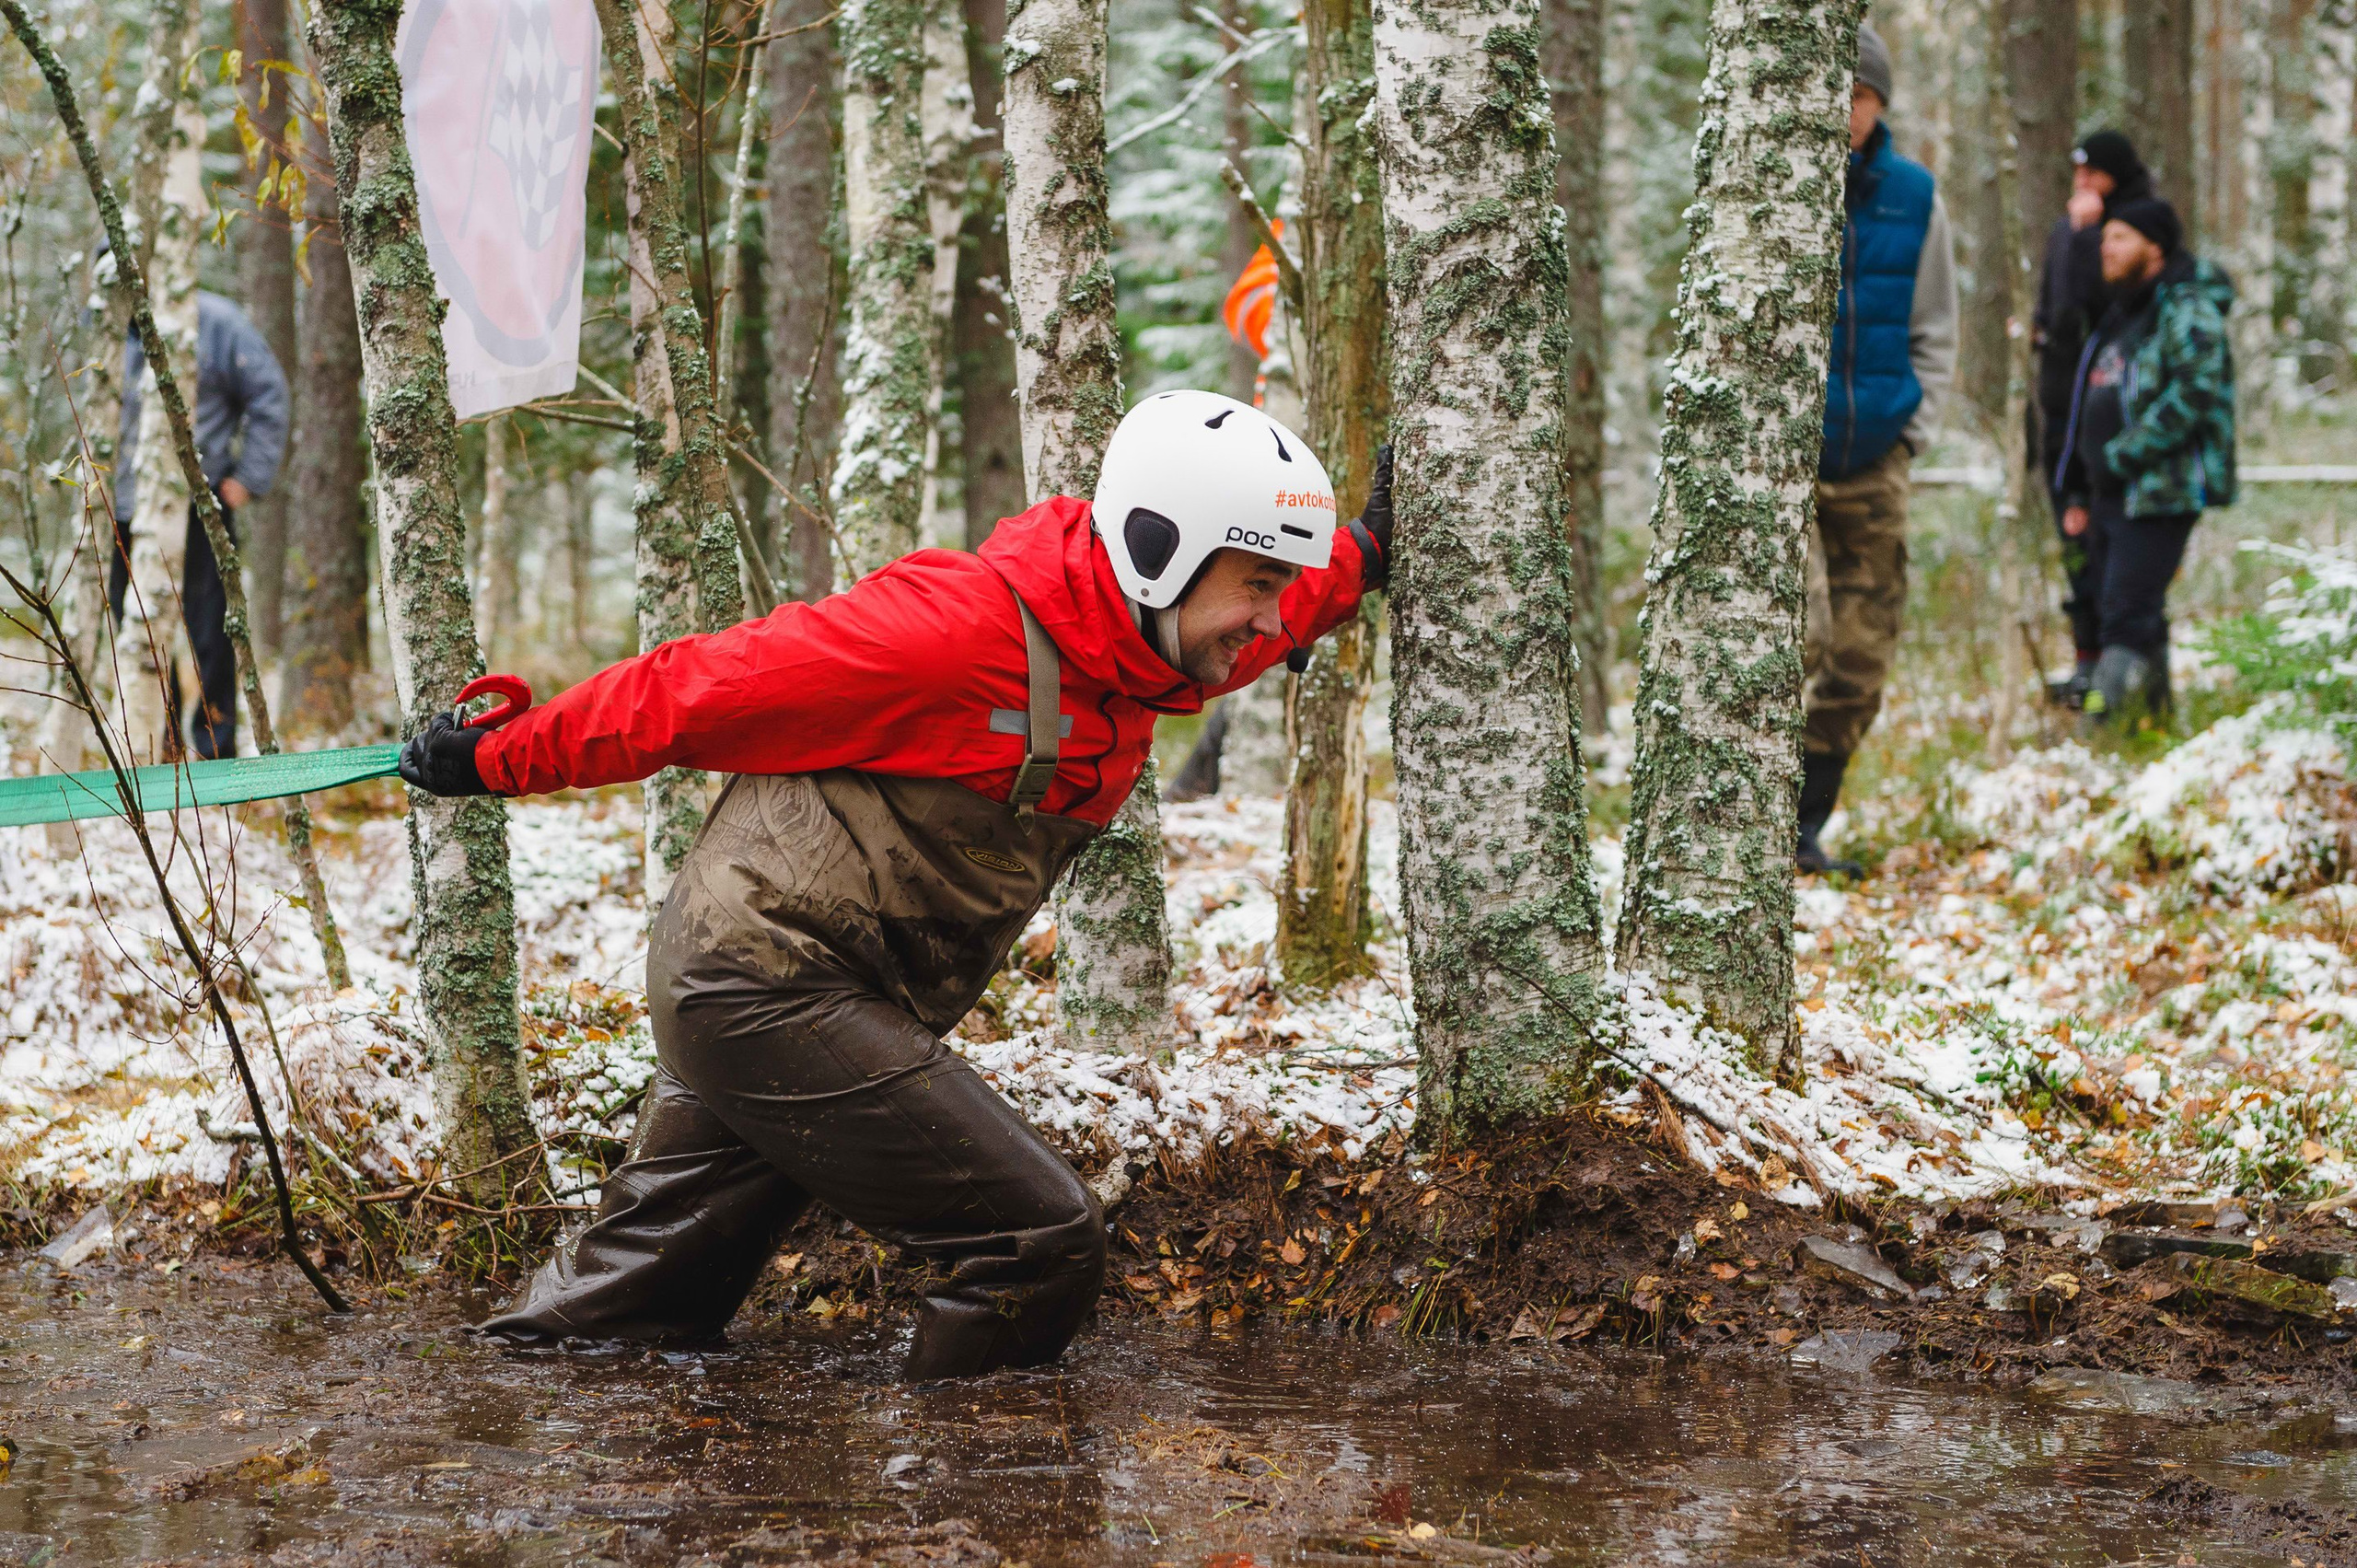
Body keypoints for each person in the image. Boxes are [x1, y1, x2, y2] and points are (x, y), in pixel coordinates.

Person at [400, 390, 1392, 1377]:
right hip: (762, 979)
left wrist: (1362, 555)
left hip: (803, 987)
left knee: (630, 1305)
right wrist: (495, 757)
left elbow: (1252, 628)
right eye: (1260, 582)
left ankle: (477, 1412)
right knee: (1035, 1242)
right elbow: (697, 688)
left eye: (1283, 587)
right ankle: (959, 1473)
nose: (1272, 619)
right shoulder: (950, 629)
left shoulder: (1146, 646)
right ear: (1158, 551)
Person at [1799, 21, 1958, 875]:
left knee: (1861, 654)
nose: (1847, 110)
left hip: (1876, 458)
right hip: (1788, 462)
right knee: (1798, 636)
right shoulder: (1777, 183)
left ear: (1881, 104)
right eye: (1836, 92)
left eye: (1860, 95)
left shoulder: (1916, 196)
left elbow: (1937, 329)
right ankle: (1751, 822)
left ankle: (1804, 827)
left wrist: (1911, 433)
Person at [2049, 196, 2235, 727]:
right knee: (2131, 614)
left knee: (2125, 615)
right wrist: (2080, 487)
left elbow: (2197, 390)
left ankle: (2099, 730)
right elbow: (2089, 403)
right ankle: (2154, 727)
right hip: (2112, 492)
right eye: (2105, 237)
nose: (2106, 248)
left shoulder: (2186, 307)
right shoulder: (2121, 313)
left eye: (2120, 238)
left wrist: (2124, 454)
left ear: (2154, 247)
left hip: (2162, 489)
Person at [111, 289, 292, 760]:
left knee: (211, 628)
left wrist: (249, 478)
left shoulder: (215, 321)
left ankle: (216, 749)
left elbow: (269, 393)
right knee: (134, 626)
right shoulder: (106, 321)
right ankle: (161, 741)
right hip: (124, 505)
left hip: (198, 501)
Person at [2033, 130, 2158, 705]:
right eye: (2077, 171)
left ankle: (2123, 683)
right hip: (2061, 410)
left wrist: (2088, 236)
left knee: (2114, 554)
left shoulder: (2136, 226)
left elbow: (2101, 301)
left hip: (2110, 413)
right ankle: (2086, 664)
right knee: (2074, 539)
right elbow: (2056, 306)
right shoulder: (2070, 227)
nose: (2082, 183)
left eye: (2093, 172)